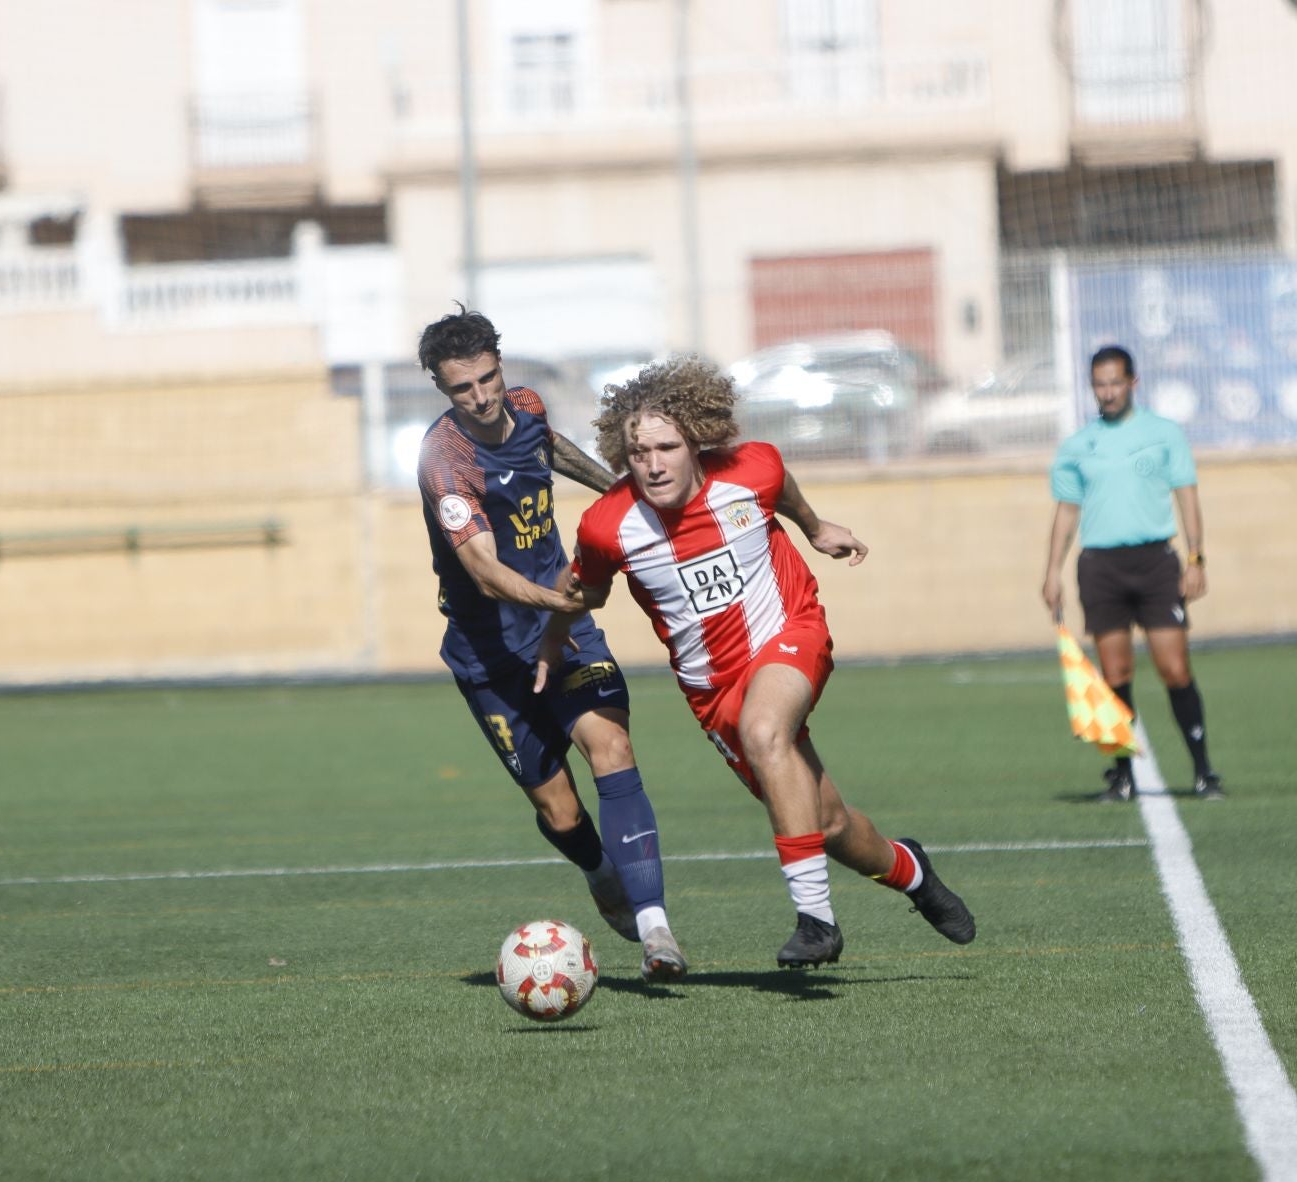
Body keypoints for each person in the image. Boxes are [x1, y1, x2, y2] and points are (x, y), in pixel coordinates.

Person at [540, 356, 977, 969]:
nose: (654, 463)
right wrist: (553, 640)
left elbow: (784, 487)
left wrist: (815, 526)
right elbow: (582, 587)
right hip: (710, 689)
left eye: (668, 447)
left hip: (791, 632)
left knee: (764, 728)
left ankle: (817, 922)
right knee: (826, 825)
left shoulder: (751, 470)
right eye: (639, 452)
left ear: (697, 443)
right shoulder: (609, 525)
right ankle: (912, 872)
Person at [414, 307, 687, 981]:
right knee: (558, 808)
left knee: (612, 746)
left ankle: (656, 931)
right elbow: (483, 569)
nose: (480, 398)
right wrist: (557, 596)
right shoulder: (445, 461)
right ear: (442, 389)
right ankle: (599, 870)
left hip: (566, 635)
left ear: (500, 365)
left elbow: (551, 448)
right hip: (489, 655)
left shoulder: (526, 406)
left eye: (487, 379)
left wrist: (626, 492)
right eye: (461, 389)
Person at [1040, 345, 1224, 802]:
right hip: (1101, 567)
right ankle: (1122, 776)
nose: (1108, 392)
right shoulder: (1078, 446)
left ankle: (1203, 771)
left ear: (1132, 383)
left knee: (1174, 668)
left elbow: (1186, 495)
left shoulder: (1163, 434)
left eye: (1115, 383)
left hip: (1155, 563)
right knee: (1115, 672)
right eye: (1100, 384)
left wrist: (1196, 557)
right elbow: (1066, 512)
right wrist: (1052, 571)